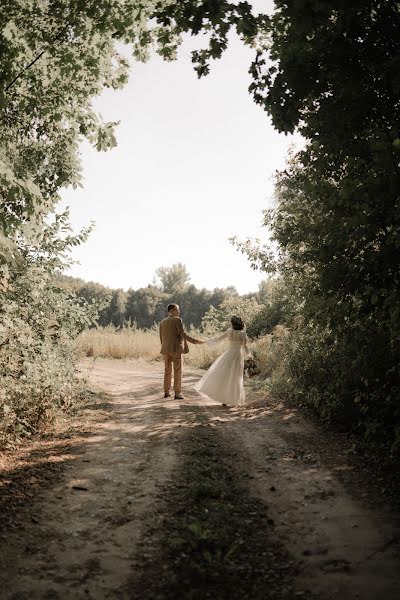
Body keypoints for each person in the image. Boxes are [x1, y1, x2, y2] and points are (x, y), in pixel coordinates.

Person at [194, 315, 252, 407]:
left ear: (233, 324)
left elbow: (218, 340)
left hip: (229, 355)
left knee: (226, 376)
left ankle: (224, 399)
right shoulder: (243, 333)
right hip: (238, 356)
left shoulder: (229, 332)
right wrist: (249, 356)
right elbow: (245, 347)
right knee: (236, 377)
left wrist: (207, 341)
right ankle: (235, 400)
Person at [159, 303, 205, 400]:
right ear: (172, 311)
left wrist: (164, 347)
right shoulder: (177, 320)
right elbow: (183, 334)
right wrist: (195, 341)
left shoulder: (162, 322)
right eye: (177, 309)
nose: (179, 311)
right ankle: (177, 393)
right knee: (177, 371)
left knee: (167, 371)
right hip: (176, 350)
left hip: (165, 350)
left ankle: (166, 392)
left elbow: (161, 338)